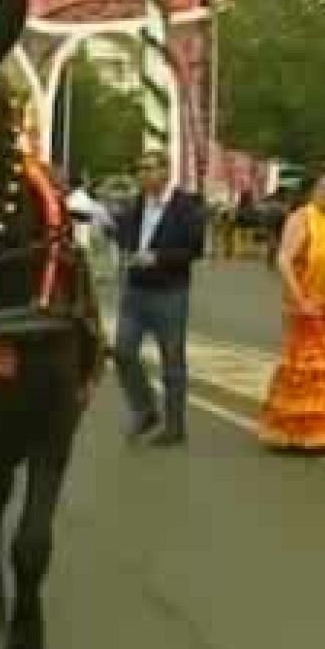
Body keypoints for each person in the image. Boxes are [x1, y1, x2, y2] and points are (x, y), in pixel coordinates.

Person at [110, 150, 207, 446]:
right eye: (139, 169)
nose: (143, 174)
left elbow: (194, 249)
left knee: (172, 360)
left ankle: (175, 426)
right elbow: (123, 235)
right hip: (136, 290)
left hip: (170, 291)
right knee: (123, 351)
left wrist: (157, 258)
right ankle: (145, 409)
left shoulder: (186, 206)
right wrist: (121, 244)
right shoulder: (135, 205)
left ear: (165, 172)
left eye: (149, 168)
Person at [259, 165, 325, 452]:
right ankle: (296, 431)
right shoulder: (303, 218)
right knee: (307, 370)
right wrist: (300, 298)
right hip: (307, 306)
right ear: (313, 190)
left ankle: (324, 431)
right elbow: (284, 259)